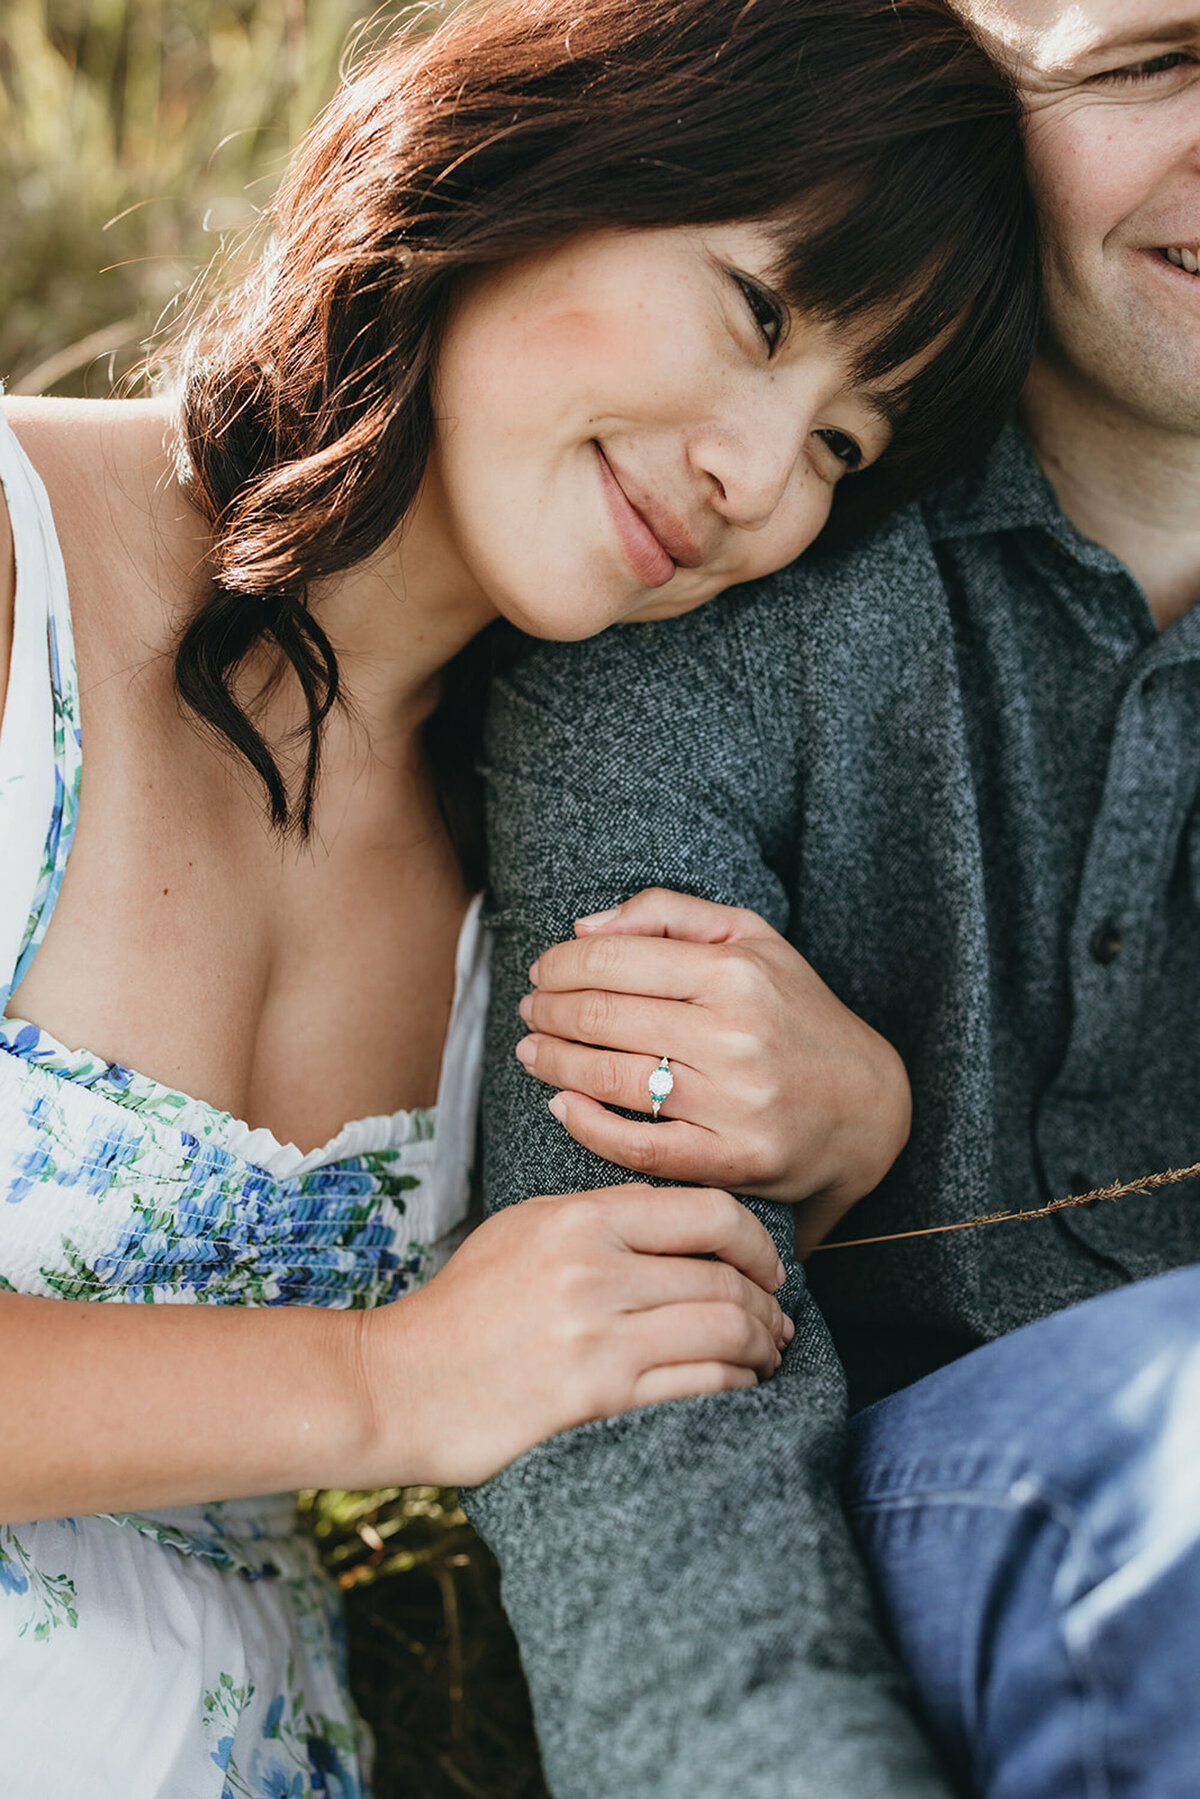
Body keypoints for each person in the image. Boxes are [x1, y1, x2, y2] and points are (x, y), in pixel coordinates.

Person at [0, 0, 1037, 1792]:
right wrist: (386, 1382)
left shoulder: (547, 859)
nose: (757, 477)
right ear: (551, 150)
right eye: (762, 311)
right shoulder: (16, 564)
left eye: (845, 449)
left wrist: (855, 1149)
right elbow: (444, 1375)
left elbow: (657, 1382)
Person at [463, 1, 1200, 1794]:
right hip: (938, 1527)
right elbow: (643, 1406)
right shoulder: (700, 571)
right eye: (1168, 56)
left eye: (839, 432)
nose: (769, 456)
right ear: (977, 61)